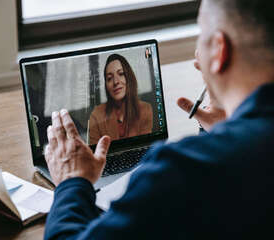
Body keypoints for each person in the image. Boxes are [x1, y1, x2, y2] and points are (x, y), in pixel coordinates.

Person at [44, 0, 274, 238]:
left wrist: (71, 181)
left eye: (201, 34)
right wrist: (231, 129)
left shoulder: (181, 170)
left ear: (218, 50)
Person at [89, 54, 153, 144]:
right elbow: (95, 154)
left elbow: (145, 146)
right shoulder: (96, 115)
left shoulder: (145, 109)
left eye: (121, 74)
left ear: (129, 77)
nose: (116, 82)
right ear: (106, 86)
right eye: (109, 78)